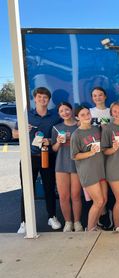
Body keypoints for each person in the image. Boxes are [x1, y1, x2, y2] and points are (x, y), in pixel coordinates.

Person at [13, 87, 62, 234]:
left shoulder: (54, 116)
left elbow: (61, 132)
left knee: (49, 188)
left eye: (45, 97)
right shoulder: (26, 115)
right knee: (27, 190)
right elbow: (15, 134)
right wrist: (21, 131)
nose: (42, 99)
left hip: (47, 156)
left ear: (49, 100)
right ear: (35, 99)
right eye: (39, 97)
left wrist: (51, 139)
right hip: (29, 158)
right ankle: (24, 222)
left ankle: (52, 216)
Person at [70, 106, 106, 231]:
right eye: (82, 115)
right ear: (77, 117)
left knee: (103, 201)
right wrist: (90, 153)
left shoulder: (96, 129)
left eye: (87, 113)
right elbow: (74, 155)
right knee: (99, 201)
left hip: (100, 170)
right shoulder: (76, 134)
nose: (86, 116)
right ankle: (90, 230)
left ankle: (94, 226)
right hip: (88, 172)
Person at [51, 102, 83, 232]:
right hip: (61, 164)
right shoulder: (56, 128)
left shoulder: (80, 125)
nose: (65, 112)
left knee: (75, 195)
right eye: (61, 111)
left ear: (71, 110)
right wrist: (58, 142)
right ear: (59, 114)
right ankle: (68, 222)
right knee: (64, 196)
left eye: (67, 109)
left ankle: (77, 222)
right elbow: (53, 149)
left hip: (77, 164)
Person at [101, 102, 119, 232]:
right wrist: (113, 149)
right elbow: (104, 150)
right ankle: (117, 226)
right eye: (115, 111)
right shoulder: (108, 128)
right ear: (111, 113)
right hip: (114, 168)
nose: (118, 113)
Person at [89, 87, 112, 230]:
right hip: (94, 155)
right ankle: (99, 216)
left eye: (100, 95)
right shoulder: (89, 113)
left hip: (109, 152)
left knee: (107, 185)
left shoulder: (111, 112)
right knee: (96, 187)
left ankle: (104, 211)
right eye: (95, 95)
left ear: (105, 96)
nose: (98, 97)